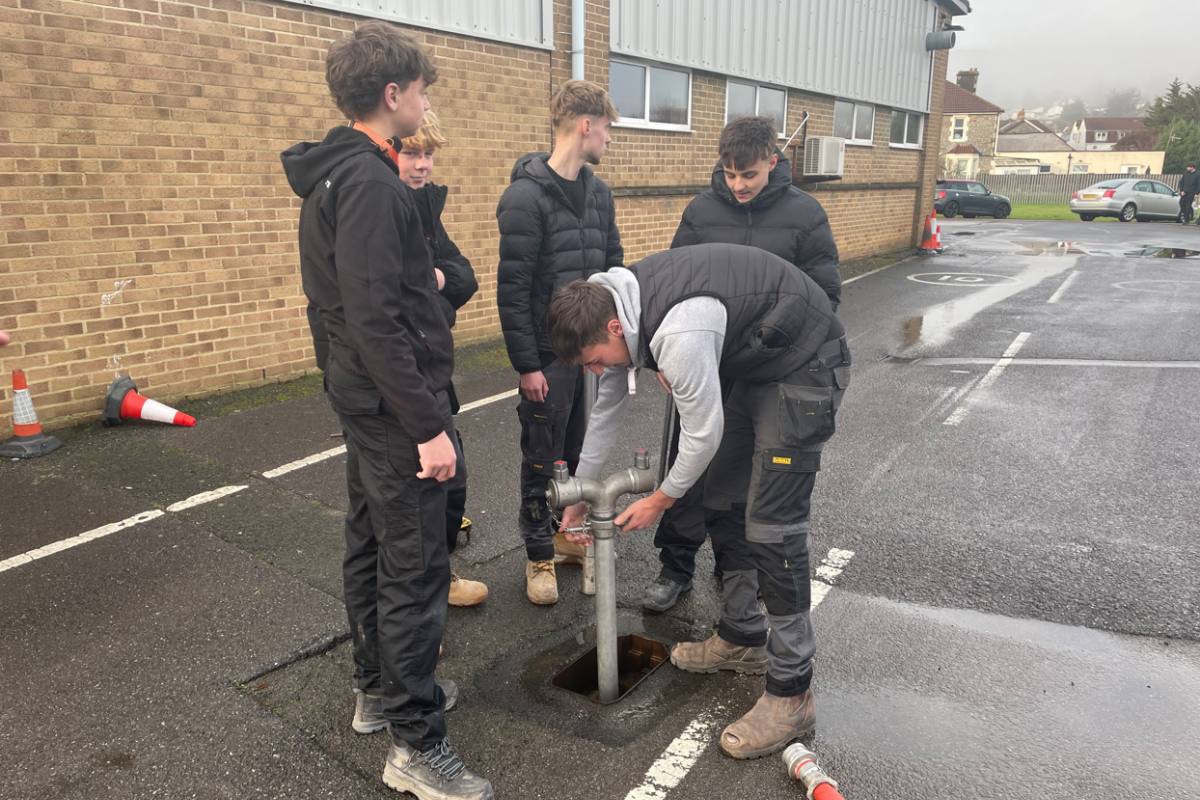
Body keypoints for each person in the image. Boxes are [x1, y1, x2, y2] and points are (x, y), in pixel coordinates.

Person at [280, 21, 492, 800]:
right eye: (421, 90)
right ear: (392, 94)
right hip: (394, 406)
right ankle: (416, 744)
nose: (426, 103)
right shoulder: (369, 184)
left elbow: (355, 312)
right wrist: (428, 425)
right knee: (414, 566)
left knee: (370, 541)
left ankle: (379, 693)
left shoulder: (337, 176)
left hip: (364, 399)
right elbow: (373, 321)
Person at [548, 242, 849, 760]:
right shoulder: (613, 304)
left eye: (596, 362)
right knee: (723, 499)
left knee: (773, 530)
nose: (597, 372)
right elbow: (607, 410)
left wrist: (661, 500)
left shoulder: (678, 335)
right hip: (756, 365)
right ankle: (743, 635)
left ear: (614, 330)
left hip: (806, 364)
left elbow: (702, 435)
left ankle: (793, 693)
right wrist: (581, 488)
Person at [640, 116, 841, 612]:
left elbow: (825, 294)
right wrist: (665, 359)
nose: (738, 185)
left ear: (772, 161)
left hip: (771, 370)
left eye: (748, 175)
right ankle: (676, 565)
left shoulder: (805, 214)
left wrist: (775, 345)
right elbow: (673, 283)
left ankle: (737, 572)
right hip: (709, 361)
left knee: (752, 477)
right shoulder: (701, 211)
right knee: (692, 458)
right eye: (729, 174)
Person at [495, 79, 623, 605]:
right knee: (542, 459)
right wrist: (528, 365)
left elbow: (615, 270)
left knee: (579, 453)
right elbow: (513, 291)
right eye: (609, 129)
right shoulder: (525, 197)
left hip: (591, 355)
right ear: (586, 125)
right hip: (548, 361)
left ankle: (567, 537)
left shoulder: (599, 194)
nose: (610, 140)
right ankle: (536, 556)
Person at [394, 110, 487, 607]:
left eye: (428, 154)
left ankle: (439, 581)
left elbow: (464, 275)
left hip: (435, 375)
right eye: (412, 153)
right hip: (401, 382)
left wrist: (436, 281)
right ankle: (417, 612)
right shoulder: (380, 211)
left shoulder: (426, 211)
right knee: (412, 505)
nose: (423, 164)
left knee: (453, 489)